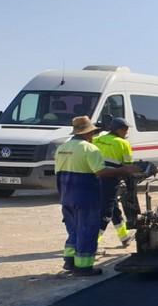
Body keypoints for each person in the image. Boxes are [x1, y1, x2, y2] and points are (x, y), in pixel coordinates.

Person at [56, 116, 140, 276]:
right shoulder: (89, 149)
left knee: (73, 229)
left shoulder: (63, 148)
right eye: (92, 133)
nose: (93, 136)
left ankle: (69, 261)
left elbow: (58, 173)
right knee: (87, 229)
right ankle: (84, 267)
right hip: (85, 194)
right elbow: (101, 172)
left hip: (66, 194)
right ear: (88, 133)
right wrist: (126, 170)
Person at [93, 117, 134, 246]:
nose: (127, 132)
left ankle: (124, 237)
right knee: (106, 213)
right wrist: (130, 185)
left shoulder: (97, 139)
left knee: (114, 208)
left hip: (94, 179)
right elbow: (128, 167)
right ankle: (92, 243)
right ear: (119, 130)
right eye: (125, 130)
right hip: (110, 181)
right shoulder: (123, 144)